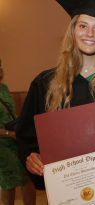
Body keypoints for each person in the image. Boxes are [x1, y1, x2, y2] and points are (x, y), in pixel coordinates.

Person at [15, 0, 95, 204]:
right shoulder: (45, 83)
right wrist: (31, 156)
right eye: (83, 26)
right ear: (72, 31)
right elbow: (27, 136)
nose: (90, 34)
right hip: (67, 191)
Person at [0, 66, 36, 205]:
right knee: (9, 181)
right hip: (2, 145)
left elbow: (12, 113)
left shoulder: (3, 88)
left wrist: (20, 129)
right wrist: (10, 133)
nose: (1, 70)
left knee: (27, 176)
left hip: (15, 139)